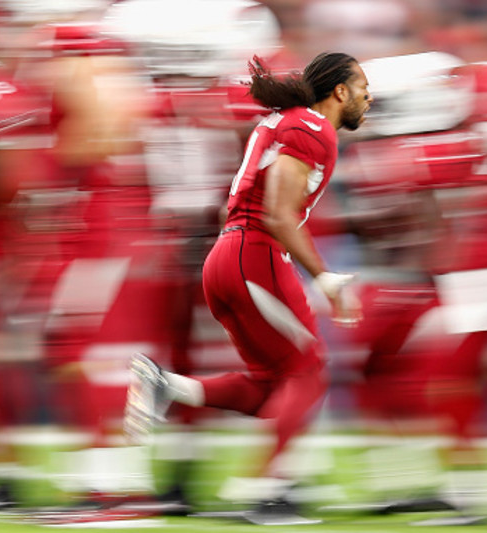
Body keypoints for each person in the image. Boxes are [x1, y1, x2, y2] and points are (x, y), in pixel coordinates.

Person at [124, 52, 370, 524]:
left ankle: (167, 386)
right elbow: (277, 213)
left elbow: (239, 209)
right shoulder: (312, 128)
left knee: (274, 386)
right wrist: (324, 276)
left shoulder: (284, 121)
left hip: (227, 256)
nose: (368, 95)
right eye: (362, 85)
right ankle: (270, 493)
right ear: (339, 91)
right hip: (255, 255)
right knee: (310, 373)